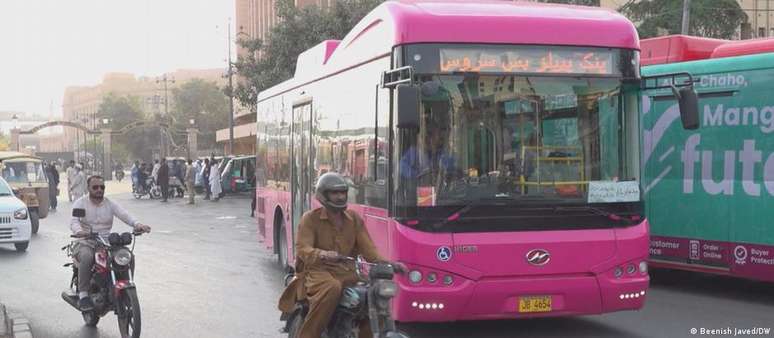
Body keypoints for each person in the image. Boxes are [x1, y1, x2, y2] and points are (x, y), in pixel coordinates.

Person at [278, 173, 406, 338]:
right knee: (333, 287)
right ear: (323, 195)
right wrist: (323, 254)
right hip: (317, 273)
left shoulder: (354, 219)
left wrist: (390, 264)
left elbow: (370, 251)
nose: (340, 197)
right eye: (335, 193)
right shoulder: (310, 219)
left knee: (371, 295)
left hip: (347, 273)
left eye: (342, 192)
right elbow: (303, 248)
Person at [70, 175, 152, 311]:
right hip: (86, 241)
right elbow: (74, 221)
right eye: (95, 187)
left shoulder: (109, 203)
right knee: (87, 257)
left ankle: (126, 286)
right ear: (88, 188)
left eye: (102, 187)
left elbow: (124, 214)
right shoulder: (81, 203)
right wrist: (79, 231)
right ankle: (83, 294)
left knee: (127, 256)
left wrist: (138, 224)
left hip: (105, 243)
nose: (99, 190)